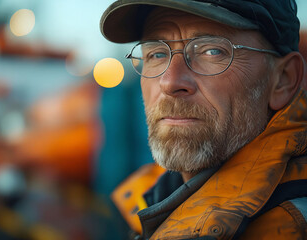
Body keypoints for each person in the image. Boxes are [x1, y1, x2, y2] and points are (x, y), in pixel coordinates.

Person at [99, 0, 307, 239]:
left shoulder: (290, 226)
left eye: (212, 51)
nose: (170, 82)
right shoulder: (155, 197)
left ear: (283, 80)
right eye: (156, 54)